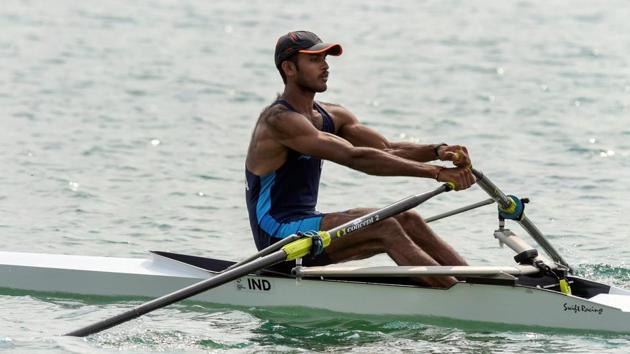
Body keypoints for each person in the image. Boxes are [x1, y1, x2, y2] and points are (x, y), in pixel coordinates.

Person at [245, 31, 475, 287]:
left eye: (325, 58)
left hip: (306, 224)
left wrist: (438, 151)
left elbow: (386, 148)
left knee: (409, 220)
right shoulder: (279, 121)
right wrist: (436, 173)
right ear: (289, 68)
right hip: (278, 238)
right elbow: (354, 157)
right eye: (314, 60)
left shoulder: (332, 115)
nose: (325, 66)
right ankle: (458, 296)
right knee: (385, 227)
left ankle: (481, 286)